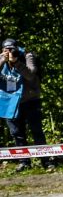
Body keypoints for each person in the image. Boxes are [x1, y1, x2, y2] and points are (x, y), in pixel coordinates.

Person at [0, 39, 55, 172]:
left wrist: (16, 62)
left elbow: (31, 74)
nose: (9, 52)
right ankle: (24, 161)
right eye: (6, 50)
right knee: (16, 133)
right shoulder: (1, 60)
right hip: (10, 102)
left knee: (37, 131)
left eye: (11, 49)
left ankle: (46, 161)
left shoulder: (27, 56)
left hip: (30, 100)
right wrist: (1, 62)